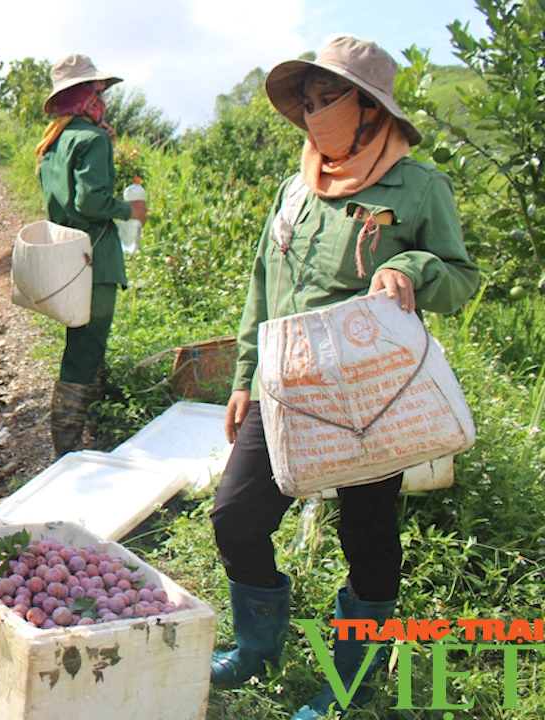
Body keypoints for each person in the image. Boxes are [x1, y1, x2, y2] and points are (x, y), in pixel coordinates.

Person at [209, 36, 480, 718]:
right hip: (287, 386)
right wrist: (244, 376)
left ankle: (350, 677)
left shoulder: (417, 187)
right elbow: (262, 286)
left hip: (368, 390)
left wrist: (413, 270)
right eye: (307, 101)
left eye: (329, 98)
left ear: (368, 108)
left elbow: (461, 278)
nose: (314, 112)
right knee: (235, 516)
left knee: (367, 532)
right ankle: (257, 646)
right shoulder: (296, 188)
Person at [35, 54, 148, 457]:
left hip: (67, 258)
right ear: (84, 95)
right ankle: (66, 451)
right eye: (97, 92)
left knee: (82, 346)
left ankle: (86, 434)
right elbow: (91, 201)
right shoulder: (91, 139)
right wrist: (129, 210)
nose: (102, 99)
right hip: (95, 261)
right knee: (84, 353)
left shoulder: (54, 141)